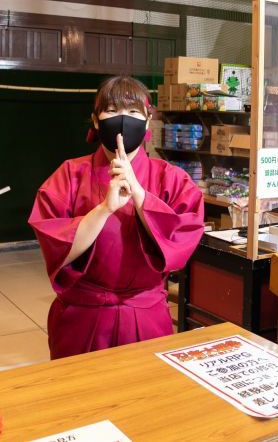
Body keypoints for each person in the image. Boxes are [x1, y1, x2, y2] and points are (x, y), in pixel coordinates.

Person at [28, 75, 205, 359]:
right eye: (112, 110)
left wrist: (140, 196)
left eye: (134, 111)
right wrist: (104, 209)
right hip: (82, 318)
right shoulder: (69, 175)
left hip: (146, 317)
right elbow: (57, 249)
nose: (123, 120)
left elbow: (181, 241)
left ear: (148, 121)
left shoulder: (172, 179)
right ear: (96, 121)